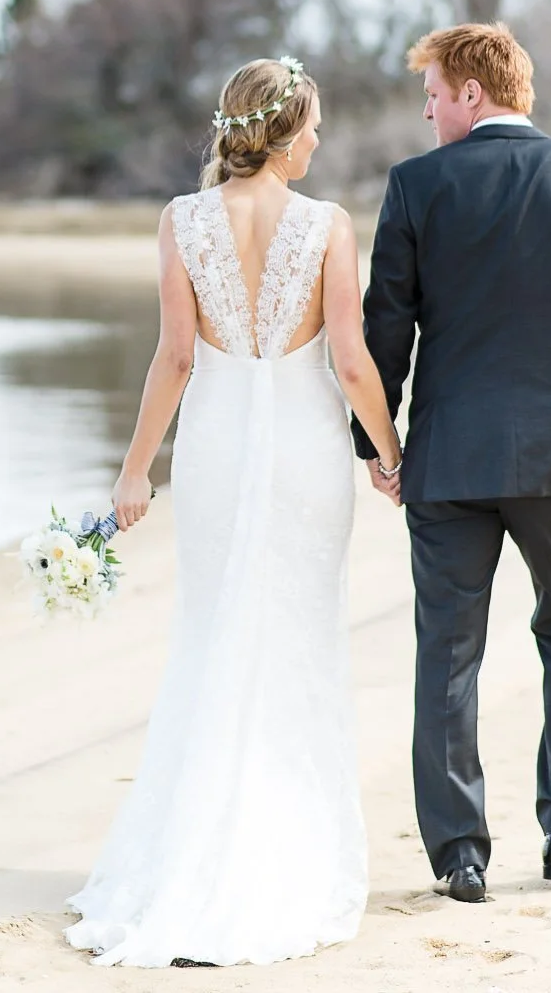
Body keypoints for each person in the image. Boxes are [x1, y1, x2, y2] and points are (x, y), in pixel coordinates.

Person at [64, 56, 402, 969]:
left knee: (215, 633)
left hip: (216, 445)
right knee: (296, 637)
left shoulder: (181, 220)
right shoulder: (327, 224)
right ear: (286, 131)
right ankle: (284, 845)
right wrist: (389, 452)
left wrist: (134, 472)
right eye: (315, 125)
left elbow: (175, 357)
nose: (321, 140)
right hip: (300, 446)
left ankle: (203, 842)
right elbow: (352, 361)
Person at [356, 22, 551, 902]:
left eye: (434, 93)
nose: (426, 108)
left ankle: (460, 853)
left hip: (448, 457)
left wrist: (377, 443)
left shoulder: (415, 186)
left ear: (473, 93)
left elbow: (386, 327)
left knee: (447, 652)